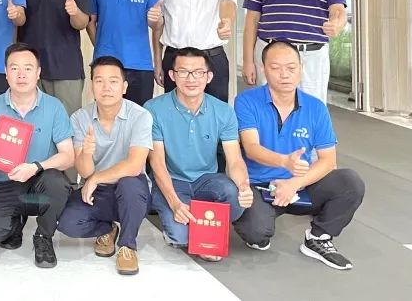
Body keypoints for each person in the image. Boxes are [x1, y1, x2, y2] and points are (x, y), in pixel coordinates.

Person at [233, 40, 365, 270]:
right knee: (256, 234)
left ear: (301, 68)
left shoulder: (316, 107)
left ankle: (318, 237)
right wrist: (284, 161)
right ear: (263, 69)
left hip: (299, 186)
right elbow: (251, 148)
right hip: (259, 185)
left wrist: (294, 183)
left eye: (291, 68)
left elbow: (328, 160)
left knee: (350, 182)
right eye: (275, 68)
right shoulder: (246, 101)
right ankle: (260, 222)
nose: (284, 74)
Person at [145, 47, 253, 261]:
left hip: (207, 180)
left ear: (209, 77)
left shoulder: (224, 111)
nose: (191, 79)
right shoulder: (154, 109)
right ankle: (201, 225)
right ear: (172, 75)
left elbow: (234, 160)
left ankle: (204, 227)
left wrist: (244, 186)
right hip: (173, 181)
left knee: (235, 196)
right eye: (183, 72)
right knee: (180, 236)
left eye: (198, 72)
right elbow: (157, 163)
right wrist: (174, 203)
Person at [0, 42, 74, 268]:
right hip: (3, 182)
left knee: (57, 184)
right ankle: (14, 224)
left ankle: (43, 237)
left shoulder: (54, 107)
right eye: (14, 68)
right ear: (6, 72)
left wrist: (36, 167)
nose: (21, 74)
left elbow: (68, 156)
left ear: (38, 73)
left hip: (40, 184)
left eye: (28, 68)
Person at [59, 56, 153, 276]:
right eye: (99, 81)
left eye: (113, 81)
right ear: (92, 86)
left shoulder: (140, 116)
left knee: (130, 185)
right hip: (98, 191)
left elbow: (134, 166)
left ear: (124, 87)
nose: (106, 87)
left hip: (131, 189)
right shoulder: (80, 118)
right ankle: (107, 229)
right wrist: (87, 153)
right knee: (66, 222)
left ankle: (127, 246)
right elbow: (84, 171)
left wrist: (96, 178)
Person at [16, 0, 93, 116]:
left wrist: (74, 12)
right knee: (30, 123)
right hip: (29, 68)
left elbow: (82, 23)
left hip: (66, 69)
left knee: (66, 123)